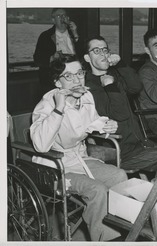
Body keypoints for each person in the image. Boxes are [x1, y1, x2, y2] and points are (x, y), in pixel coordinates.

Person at [30, 54, 127, 241]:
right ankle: (105, 239)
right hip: (56, 167)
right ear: (57, 82)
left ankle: (120, 232)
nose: (76, 80)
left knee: (119, 175)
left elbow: (92, 122)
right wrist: (59, 109)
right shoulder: (46, 104)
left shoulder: (86, 96)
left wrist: (106, 126)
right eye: (68, 76)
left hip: (80, 158)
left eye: (79, 73)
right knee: (97, 190)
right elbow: (40, 145)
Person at [84, 35, 157, 171]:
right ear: (87, 58)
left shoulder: (115, 74)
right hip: (118, 151)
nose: (103, 54)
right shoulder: (90, 86)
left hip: (138, 142)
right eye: (97, 51)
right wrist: (111, 86)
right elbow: (119, 114)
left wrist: (121, 64)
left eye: (105, 50)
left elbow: (136, 87)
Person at [33, 8, 84, 96]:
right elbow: (37, 59)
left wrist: (75, 34)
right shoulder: (45, 36)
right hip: (52, 79)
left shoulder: (75, 34)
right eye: (59, 16)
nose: (62, 18)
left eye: (64, 16)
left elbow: (84, 55)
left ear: (68, 18)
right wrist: (52, 58)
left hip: (74, 76)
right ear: (53, 20)